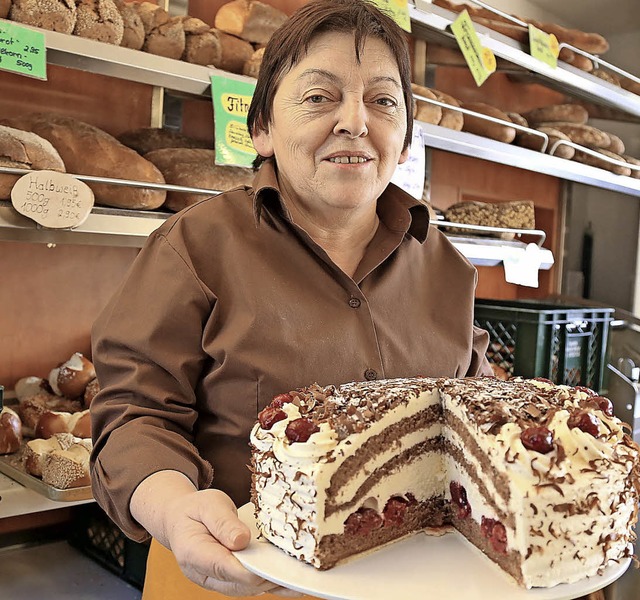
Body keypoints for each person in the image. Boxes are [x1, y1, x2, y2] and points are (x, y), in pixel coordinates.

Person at [90, 0, 492, 598]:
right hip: (231, 577)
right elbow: (134, 415)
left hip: (410, 579)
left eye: (382, 101)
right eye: (318, 97)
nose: (355, 122)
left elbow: (477, 415)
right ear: (263, 130)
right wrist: (176, 511)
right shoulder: (195, 247)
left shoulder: (448, 270)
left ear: (405, 138)